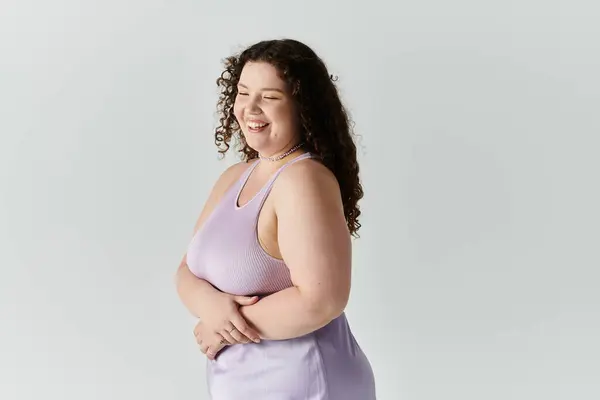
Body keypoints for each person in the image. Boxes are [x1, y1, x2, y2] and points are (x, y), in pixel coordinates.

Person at [174, 38, 376, 399]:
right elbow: (186, 270)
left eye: (269, 97)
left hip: (306, 383)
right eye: (242, 92)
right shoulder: (235, 176)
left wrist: (221, 328)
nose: (250, 108)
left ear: (303, 107)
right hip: (243, 383)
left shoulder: (303, 179)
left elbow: (322, 300)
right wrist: (212, 308)